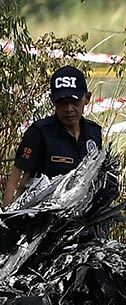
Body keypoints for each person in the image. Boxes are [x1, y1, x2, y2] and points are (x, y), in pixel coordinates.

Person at [3, 65, 102, 207]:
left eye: (74, 102)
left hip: (82, 220)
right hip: (43, 220)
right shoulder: (39, 133)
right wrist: (8, 219)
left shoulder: (94, 133)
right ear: (52, 101)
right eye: (62, 103)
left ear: (86, 98)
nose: (69, 109)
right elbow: (17, 181)